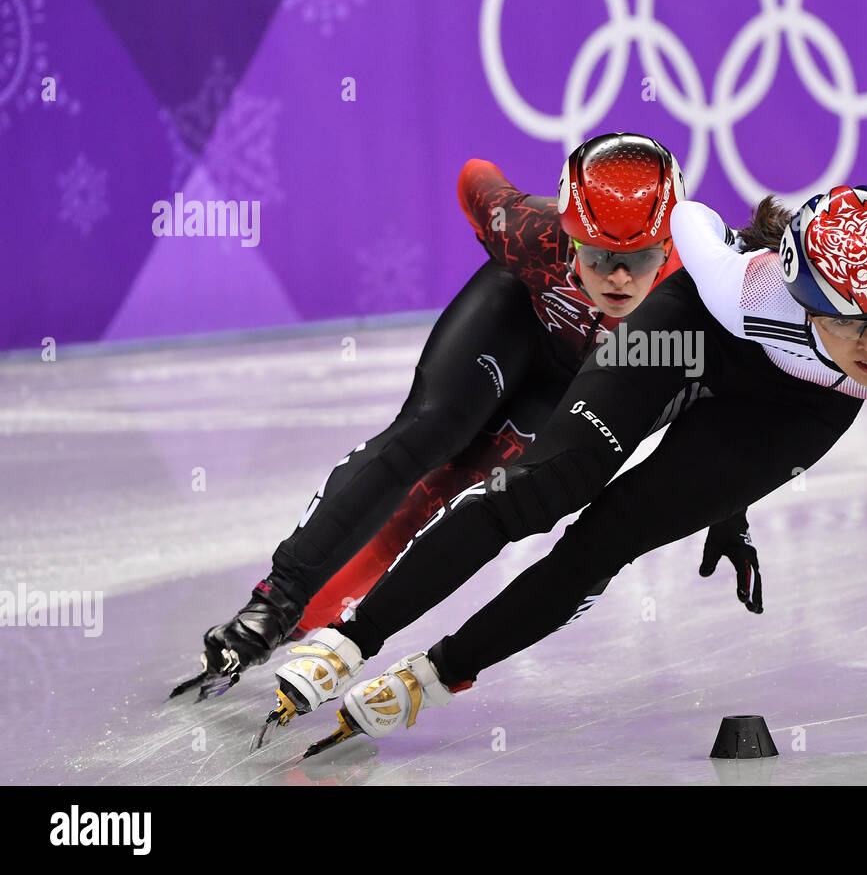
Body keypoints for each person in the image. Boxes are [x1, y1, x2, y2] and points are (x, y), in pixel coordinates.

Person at [275, 183, 867, 756]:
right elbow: (691, 218)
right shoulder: (744, 287)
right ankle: (350, 639)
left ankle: (435, 674)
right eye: (844, 321)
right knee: (540, 488)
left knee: (608, 538)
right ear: (800, 295)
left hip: (791, 412)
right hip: (692, 332)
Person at [171, 134, 762, 702]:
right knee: (429, 431)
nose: (618, 277)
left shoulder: (709, 280)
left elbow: (727, 399)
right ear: (569, 233)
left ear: (671, 246)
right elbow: (474, 176)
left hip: (589, 380)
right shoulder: (528, 228)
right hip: (515, 319)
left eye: (641, 259)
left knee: (461, 495)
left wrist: (728, 511)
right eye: (601, 255)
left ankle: (316, 626)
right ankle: (273, 605)